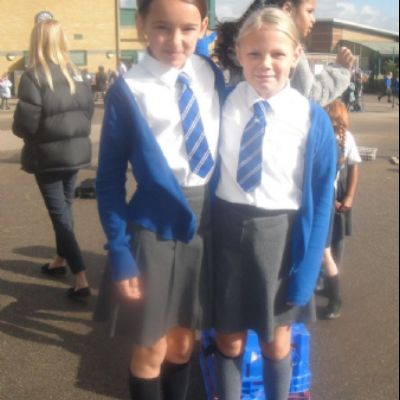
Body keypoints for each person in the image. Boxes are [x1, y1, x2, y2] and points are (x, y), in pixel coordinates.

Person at [95, 0, 225, 399]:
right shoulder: (129, 90)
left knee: (184, 343)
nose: (175, 40)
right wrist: (119, 250)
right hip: (154, 229)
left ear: (204, 26)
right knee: (151, 347)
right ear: (141, 25)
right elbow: (109, 180)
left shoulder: (210, 73)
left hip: (206, 226)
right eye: (162, 27)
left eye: (187, 29)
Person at [213, 7, 336, 400]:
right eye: (254, 53)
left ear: (296, 55)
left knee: (275, 341)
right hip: (226, 234)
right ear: (238, 54)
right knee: (229, 339)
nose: (265, 64)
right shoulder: (221, 103)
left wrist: (308, 271)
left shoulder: (311, 120)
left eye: (278, 54)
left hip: (279, 240)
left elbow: (321, 204)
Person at [12, 19, 94, 302]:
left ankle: (81, 280)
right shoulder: (77, 73)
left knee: (60, 214)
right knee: (65, 209)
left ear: (37, 42)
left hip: (47, 156)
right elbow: (88, 112)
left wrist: (25, 133)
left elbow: (25, 124)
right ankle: (60, 261)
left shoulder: (33, 76)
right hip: (75, 152)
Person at [214, 0, 355, 106]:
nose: (313, 19)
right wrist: (340, 71)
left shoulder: (229, 103)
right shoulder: (286, 44)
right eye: (309, 11)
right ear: (288, 10)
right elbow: (309, 95)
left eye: (277, 55)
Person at [321, 100, 361, 319]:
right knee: (326, 245)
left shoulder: (343, 139)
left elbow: (354, 167)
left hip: (334, 194)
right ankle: (328, 282)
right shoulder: (325, 136)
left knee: (333, 243)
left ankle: (334, 290)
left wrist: (348, 197)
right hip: (329, 195)